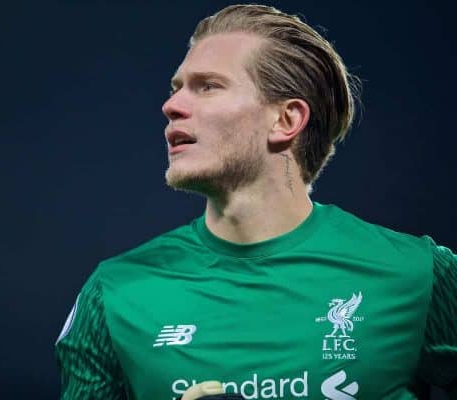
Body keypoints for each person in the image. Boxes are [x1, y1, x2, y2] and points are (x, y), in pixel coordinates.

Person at [54, 4, 456, 399]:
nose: (171, 106)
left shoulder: (419, 273)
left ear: (286, 119)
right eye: (176, 88)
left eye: (208, 85)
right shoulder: (114, 292)